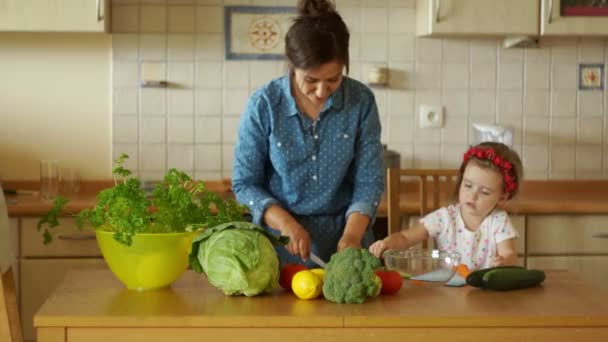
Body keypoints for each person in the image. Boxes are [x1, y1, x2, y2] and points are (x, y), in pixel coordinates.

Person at [232, 0, 384, 267]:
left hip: (347, 242)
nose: (322, 91)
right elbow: (245, 184)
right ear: (292, 64)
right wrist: (287, 224)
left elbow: (369, 182)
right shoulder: (264, 104)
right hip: (282, 245)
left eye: (333, 79)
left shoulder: (361, 101)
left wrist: (352, 235)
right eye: (311, 81)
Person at [369, 142, 524, 270]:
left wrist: (504, 262)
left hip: (484, 294)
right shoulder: (445, 218)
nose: (472, 196)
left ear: (502, 196)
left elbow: (509, 253)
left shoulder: (498, 220)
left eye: (484, 192)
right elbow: (405, 237)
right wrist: (387, 243)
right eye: (468, 185)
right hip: (446, 291)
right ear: (461, 180)